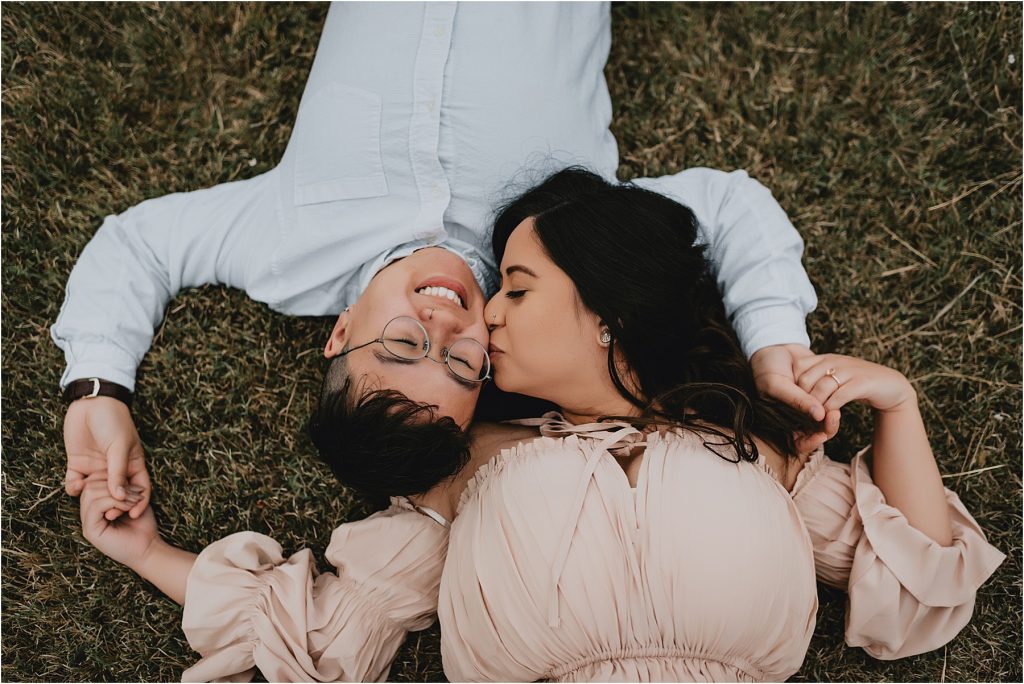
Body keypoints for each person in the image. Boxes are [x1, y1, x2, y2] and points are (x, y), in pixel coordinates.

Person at [79, 168, 1004, 682]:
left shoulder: (750, 449)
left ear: (605, 313)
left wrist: (899, 407)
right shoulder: (469, 477)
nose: (483, 318)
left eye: (514, 291)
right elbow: (321, 635)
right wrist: (144, 552)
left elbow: (921, 582)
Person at [54, 1, 826, 517]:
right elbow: (726, 207)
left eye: (401, 344)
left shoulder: (284, 247)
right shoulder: (560, 247)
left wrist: (97, 390)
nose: (447, 322)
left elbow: (138, 244)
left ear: (340, 330)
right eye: (462, 366)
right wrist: (773, 343)